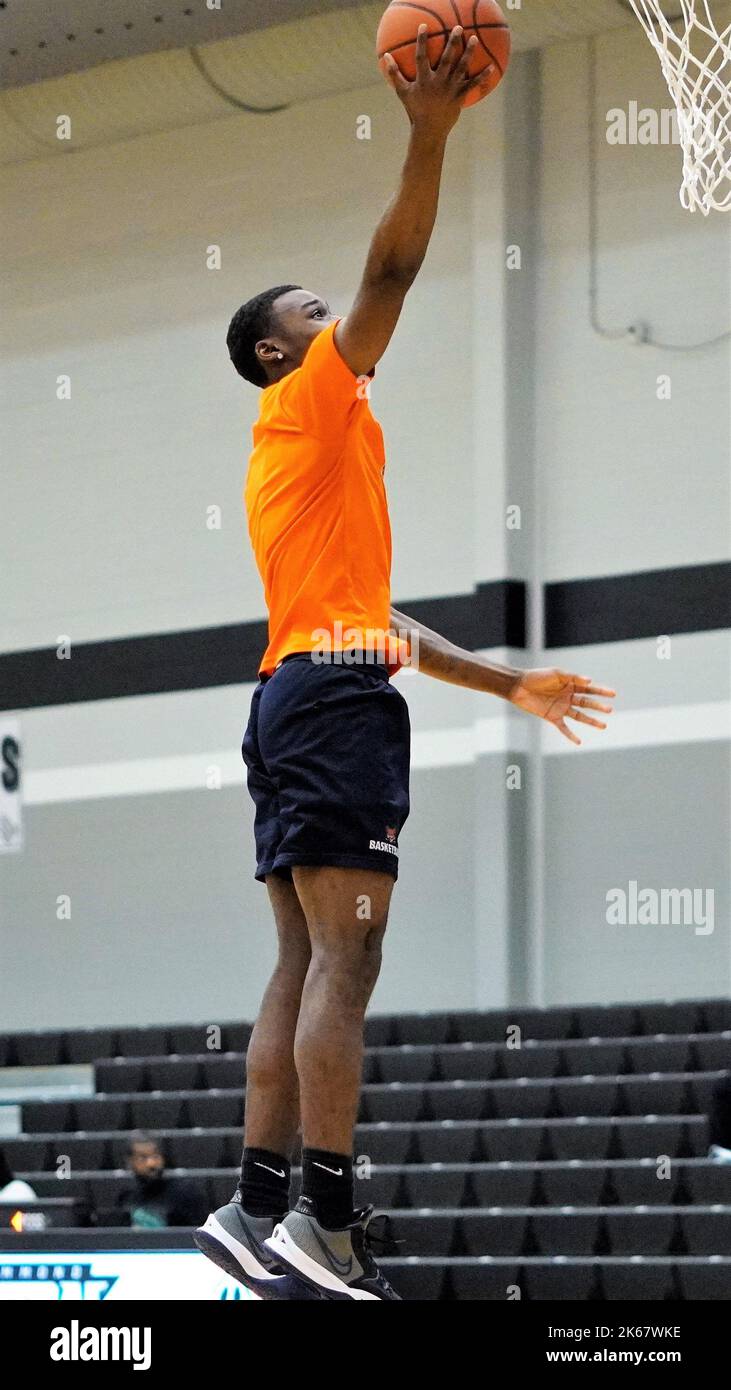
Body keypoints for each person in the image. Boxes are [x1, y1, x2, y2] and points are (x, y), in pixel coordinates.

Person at [194, 25, 616, 1301]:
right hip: (329, 706)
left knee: (302, 959)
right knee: (349, 962)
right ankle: (320, 1222)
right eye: (310, 316)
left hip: (297, 691)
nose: (337, 319)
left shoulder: (320, 459)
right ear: (279, 352)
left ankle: (252, 1205)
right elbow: (392, 261)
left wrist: (509, 685)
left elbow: (384, 622)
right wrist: (429, 133)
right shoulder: (308, 399)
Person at [117, 1133, 207, 1229]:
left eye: (155, 1156)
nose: (151, 1164)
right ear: (130, 1162)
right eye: (143, 1158)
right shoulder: (126, 1196)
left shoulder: (187, 1193)